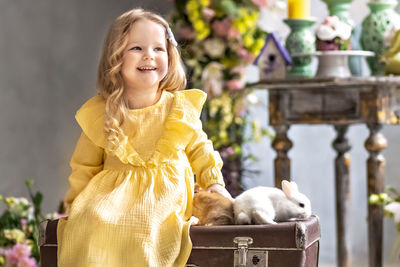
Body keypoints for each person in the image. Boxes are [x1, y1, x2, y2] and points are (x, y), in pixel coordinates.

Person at [57, 8, 231, 267]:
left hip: (165, 192)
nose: (149, 55)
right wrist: (74, 204)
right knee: (93, 219)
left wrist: (214, 182)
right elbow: (84, 165)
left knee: (146, 225)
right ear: (116, 57)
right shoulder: (104, 113)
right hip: (112, 194)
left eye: (159, 49)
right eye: (137, 48)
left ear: (170, 56)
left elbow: (200, 149)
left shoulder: (178, 108)